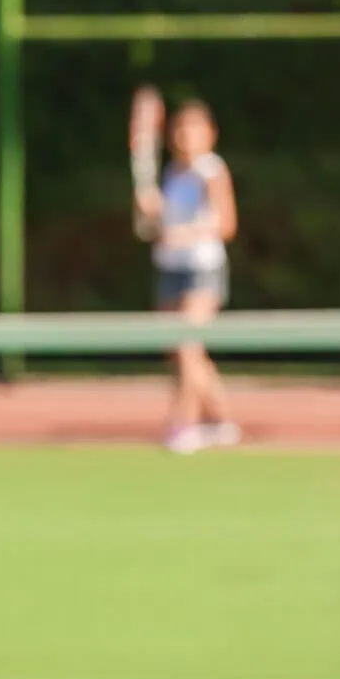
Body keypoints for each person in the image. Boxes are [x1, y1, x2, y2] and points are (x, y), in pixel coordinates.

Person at [132, 94, 240, 454]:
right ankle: (223, 421)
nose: (185, 136)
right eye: (179, 129)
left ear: (211, 134)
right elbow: (155, 225)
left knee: (188, 344)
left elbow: (226, 224)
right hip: (170, 269)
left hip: (203, 270)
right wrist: (151, 215)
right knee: (180, 352)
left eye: (193, 129)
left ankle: (184, 424)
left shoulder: (212, 171)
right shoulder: (170, 174)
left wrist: (184, 232)